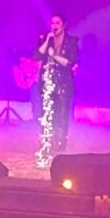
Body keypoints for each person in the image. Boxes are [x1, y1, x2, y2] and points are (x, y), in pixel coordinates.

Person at [35, 14, 79, 159]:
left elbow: (71, 62)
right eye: (52, 23)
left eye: (57, 23)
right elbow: (37, 56)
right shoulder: (46, 39)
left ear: (64, 25)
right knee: (47, 115)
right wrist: (47, 40)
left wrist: (55, 56)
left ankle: (60, 147)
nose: (54, 25)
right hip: (47, 83)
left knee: (62, 116)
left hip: (64, 84)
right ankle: (47, 144)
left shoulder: (72, 41)